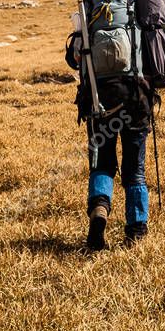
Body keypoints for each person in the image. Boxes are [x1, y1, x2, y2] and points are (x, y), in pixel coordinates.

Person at [65, 37, 153, 251]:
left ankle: (100, 208)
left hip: (98, 99)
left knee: (102, 164)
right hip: (136, 97)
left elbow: (73, 59)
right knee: (135, 169)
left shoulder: (90, 8)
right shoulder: (137, 6)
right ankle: (136, 231)